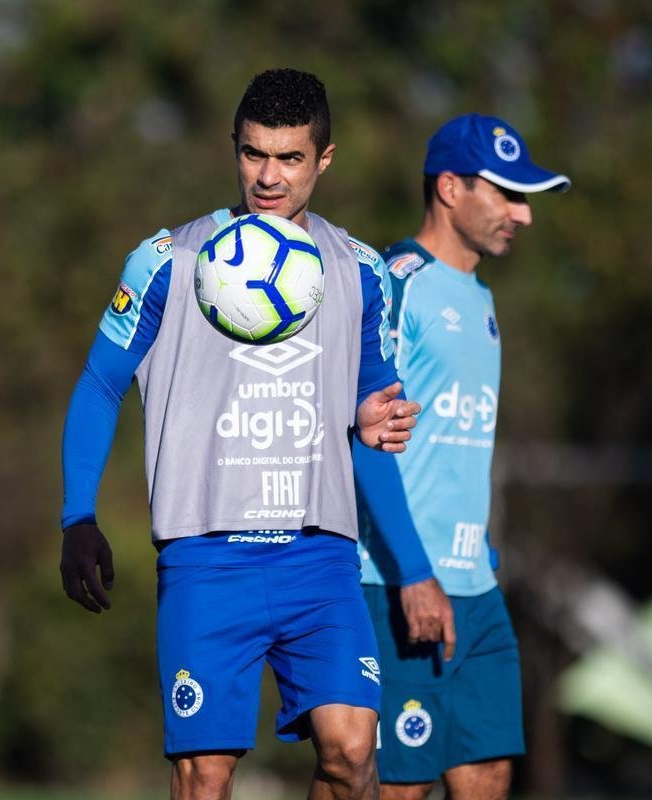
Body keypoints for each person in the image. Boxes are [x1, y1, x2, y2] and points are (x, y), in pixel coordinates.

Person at [59, 68, 453, 800]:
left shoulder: (363, 273)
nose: (268, 177)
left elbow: (370, 421)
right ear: (233, 148)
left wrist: (404, 544)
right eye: (253, 154)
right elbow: (100, 383)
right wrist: (77, 514)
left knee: (352, 752)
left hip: (320, 556)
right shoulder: (167, 261)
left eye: (290, 158)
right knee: (204, 777)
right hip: (207, 558)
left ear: (324, 158)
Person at [355, 114, 570, 800]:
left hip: (475, 588)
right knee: (401, 787)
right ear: (449, 187)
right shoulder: (397, 284)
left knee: (489, 774)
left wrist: (473, 552)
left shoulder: (481, 300)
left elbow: (458, 445)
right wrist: (415, 573)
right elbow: (364, 442)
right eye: (508, 194)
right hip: (396, 583)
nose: (523, 215)